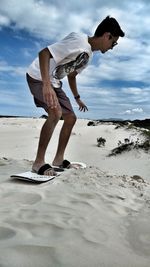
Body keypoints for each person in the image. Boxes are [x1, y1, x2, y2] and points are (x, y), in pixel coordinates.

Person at [26, 15, 125, 175]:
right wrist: (46, 84)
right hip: (38, 76)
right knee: (55, 113)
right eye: (113, 42)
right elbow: (44, 53)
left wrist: (77, 98)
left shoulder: (89, 56)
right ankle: (38, 163)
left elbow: (72, 76)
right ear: (107, 35)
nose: (113, 47)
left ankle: (58, 159)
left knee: (71, 118)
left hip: (55, 82)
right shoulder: (78, 40)